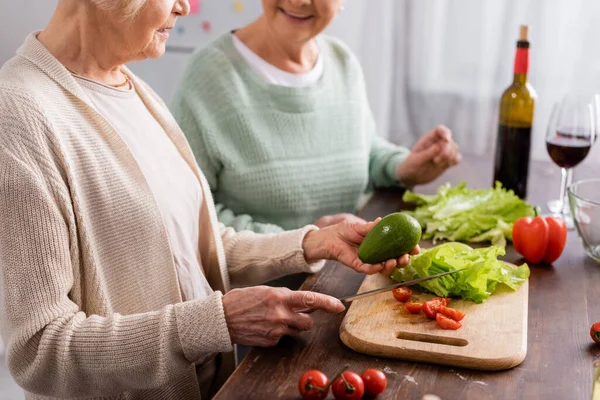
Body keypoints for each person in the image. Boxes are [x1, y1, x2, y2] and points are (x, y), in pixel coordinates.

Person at [0, 1, 419, 399]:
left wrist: (311, 242)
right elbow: (41, 352)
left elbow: (190, 250)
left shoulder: (132, 89)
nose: (185, 7)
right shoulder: (18, 116)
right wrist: (217, 321)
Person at [171, 0, 462, 234]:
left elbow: (362, 146)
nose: (298, 2)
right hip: (261, 294)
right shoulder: (207, 76)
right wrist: (304, 241)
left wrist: (402, 166)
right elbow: (189, 212)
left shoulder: (341, 60)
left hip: (342, 275)